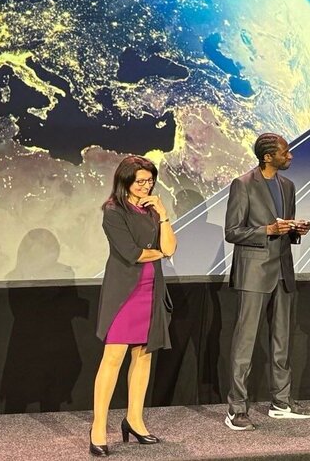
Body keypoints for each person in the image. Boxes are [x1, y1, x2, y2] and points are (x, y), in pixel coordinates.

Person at [224, 133, 310, 431]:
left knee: (281, 341)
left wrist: (295, 229)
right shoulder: (243, 185)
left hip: (282, 271)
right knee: (245, 343)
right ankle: (237, 408)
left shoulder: (288, 186)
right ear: (267, 157)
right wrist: (268, 229)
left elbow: (284, 229)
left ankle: (281, 402)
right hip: (253, 273)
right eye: (285, 152)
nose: (290, 156)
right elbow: (233, 231)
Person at [91, 156, 177, 457]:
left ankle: (135, 420)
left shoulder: (153, 210)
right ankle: (99, 427)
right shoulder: (113, 211)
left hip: (152, 289)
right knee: (113, 357)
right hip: (125, 291)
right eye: (140, 180)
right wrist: (157, 252)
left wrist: (164, 216)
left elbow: (170, 247)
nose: (146, 185)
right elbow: (131, 253)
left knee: (143, 356)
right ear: (125, 180)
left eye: (150, 180)